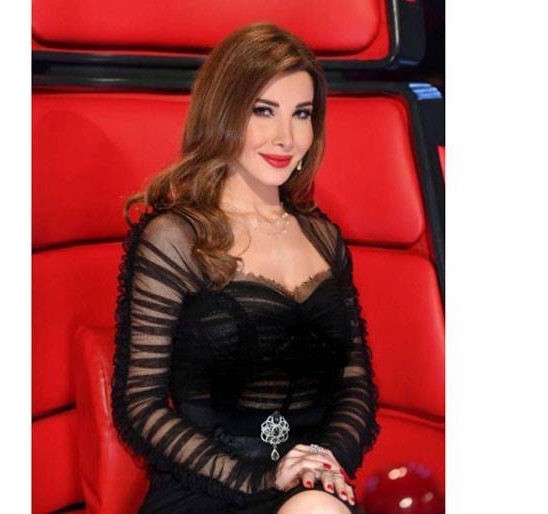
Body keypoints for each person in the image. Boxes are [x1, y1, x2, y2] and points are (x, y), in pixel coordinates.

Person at [111, 21, 380, 514]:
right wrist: (262, 478)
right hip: (209, 486)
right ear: (224, 113)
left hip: (309, 489)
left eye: (302, 114)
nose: (285, 137)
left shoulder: (324, 238)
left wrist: (320, 467)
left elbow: (355, 384)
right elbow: (141, 408)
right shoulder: (176, 238)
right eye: (263, 110)